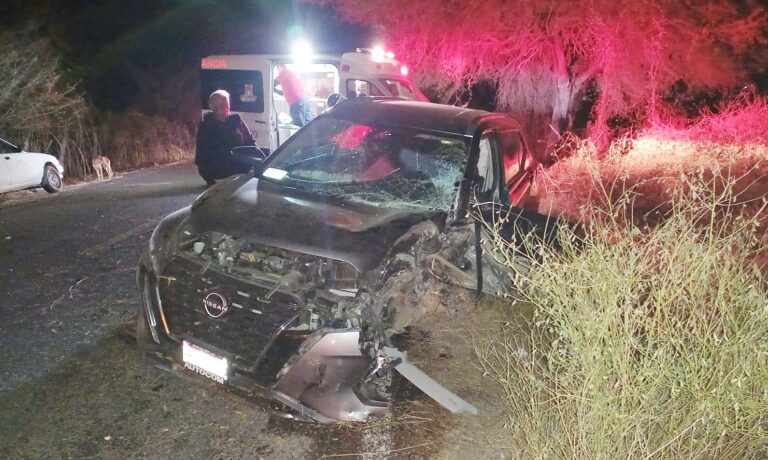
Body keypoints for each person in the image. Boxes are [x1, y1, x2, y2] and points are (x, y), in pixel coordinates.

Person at [195, 90, 256, 185]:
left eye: (226, 103)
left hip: (241, 175)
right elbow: (201, 155)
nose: (224, 107)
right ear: (211, 106)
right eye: (220, 104)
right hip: (217, 176)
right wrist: (209, 179)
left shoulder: (237, 121)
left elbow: (251, 144)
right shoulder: (206, 126)